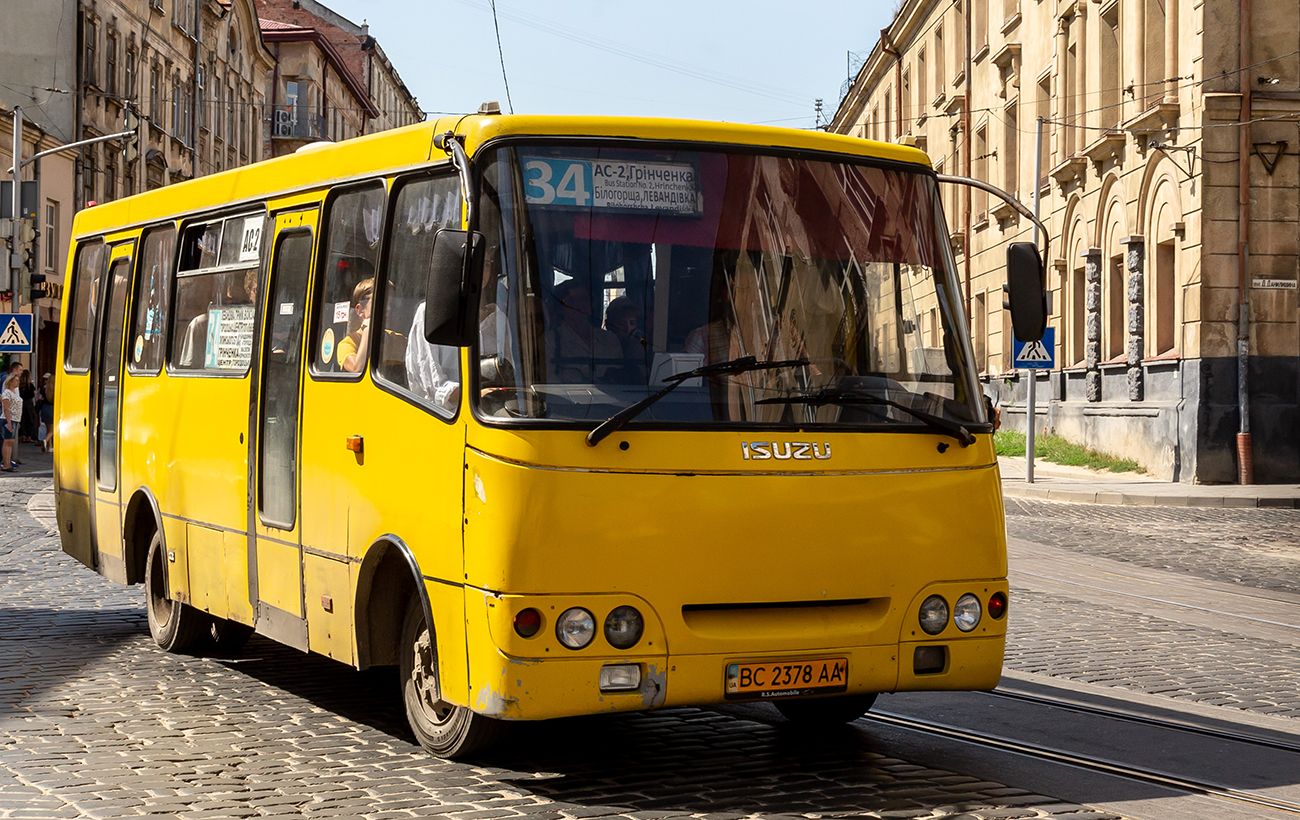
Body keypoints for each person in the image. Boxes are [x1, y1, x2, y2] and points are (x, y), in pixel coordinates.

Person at [549, 280, 621, 383]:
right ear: (560, 307)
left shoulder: (610, 339)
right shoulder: (551, 341)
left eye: (584, 300)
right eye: (572, 301)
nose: (579, 305)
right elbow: (549, 383)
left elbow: (621, 378)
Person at [603, 295, 647, 383]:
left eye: (632, 323)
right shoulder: (601, 347)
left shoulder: (641, 343)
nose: (628, 328)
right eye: (621, 323)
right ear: (608, 325)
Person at [337, 277, 374, 373]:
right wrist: (368, 331)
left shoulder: (394, 337)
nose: (389, 308)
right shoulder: (348, 343)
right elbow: (356, 369)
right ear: (360, 310)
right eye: (381, 304)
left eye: (393, 303)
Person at [1, 366, 22, 472]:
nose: (18, 382)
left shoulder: (15, 392)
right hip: (8, 419)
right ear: (11, 381)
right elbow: (6, 408)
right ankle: (6, 464)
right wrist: (9, 423)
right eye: (16, 380)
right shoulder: (7, 393)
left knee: (10, 443)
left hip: (15, 420)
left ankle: (8, 463)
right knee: (7, 442)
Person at [18, 369, 38, 443]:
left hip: (21, 403)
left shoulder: (20, 385)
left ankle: (23, 435)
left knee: (22, 419)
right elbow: (32, 395)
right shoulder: (30, 386)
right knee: (30, 419)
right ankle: (29, 436)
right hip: (29, 404)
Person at [40, 373, 54, 453]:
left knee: (48, 429)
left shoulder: (44, 388)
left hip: (44, 408)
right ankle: (45, 440)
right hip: (51, 408)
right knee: (53, 430)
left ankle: (49, 447)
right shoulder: (54, 389)